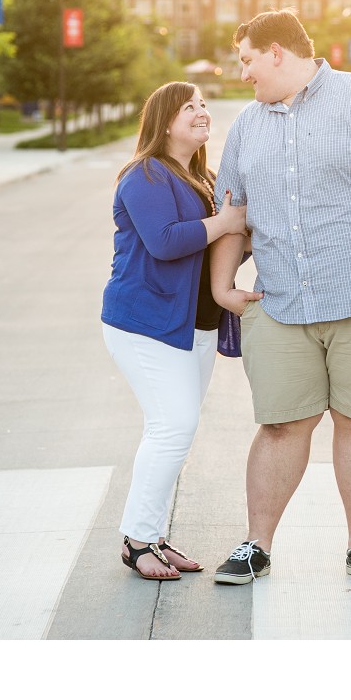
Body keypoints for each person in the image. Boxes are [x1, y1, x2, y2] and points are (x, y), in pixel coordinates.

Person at [208, 9, 351, 586]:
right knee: (281, 426)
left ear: (278, 52)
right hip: (282, 303)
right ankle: (255, 546)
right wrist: (221, 286)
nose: (244, 75)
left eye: (248, 61)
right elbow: (231, 214)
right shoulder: (247, 128)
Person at [101, 81, 247, 579]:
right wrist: (226, 221)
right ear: (164, 120)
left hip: (194, 326)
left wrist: (237, 236)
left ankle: (154, 537)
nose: (202, 113)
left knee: (172, 432)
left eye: (204, 105)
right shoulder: (144, 176)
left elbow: (216, 247)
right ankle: (137, 542)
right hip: (146, 324)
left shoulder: (200, 177)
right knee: (173, 427)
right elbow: (165, 243)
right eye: (190, 107)